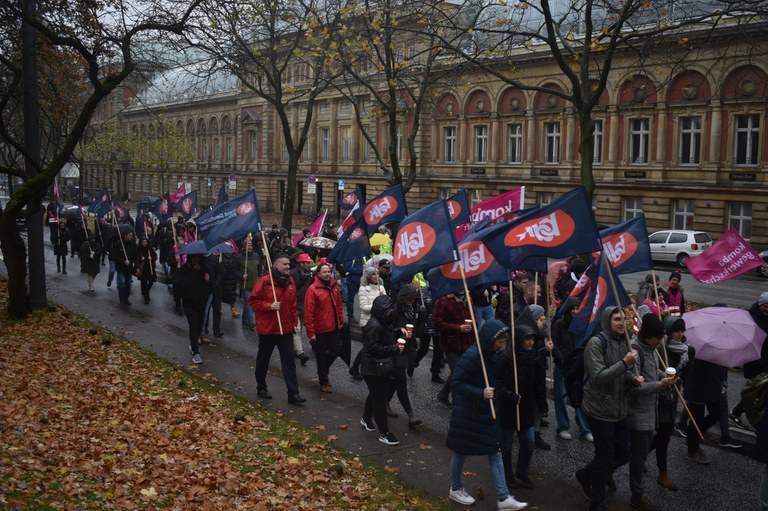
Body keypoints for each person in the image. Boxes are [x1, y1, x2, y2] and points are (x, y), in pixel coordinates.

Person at [446, 319, 528, 511]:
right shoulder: (473, 356)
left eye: (503, 341)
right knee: (461, 451)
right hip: (468, 414)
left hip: (485, 413)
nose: (502, 345)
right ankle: (455, 488)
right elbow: (456, 383)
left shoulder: (491, 354)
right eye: (499, 341)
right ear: (489, 339)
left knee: (495, 451)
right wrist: (480, 392)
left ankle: (503, 497)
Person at [576, 307, 641, 511]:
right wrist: (624, 363)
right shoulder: (597, 343)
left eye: (624, 319)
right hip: (600, 408)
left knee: (623, 450)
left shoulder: (624, 341)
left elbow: (622, 374)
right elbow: (598, 377)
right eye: (616, 319)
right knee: (604, 456)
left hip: (619, 408)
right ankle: (596, 503)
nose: (621, 323)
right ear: (607, 321)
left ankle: (585, 475)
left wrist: (632, 379)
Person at [622, 314, 677, 511]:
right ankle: (637, 495)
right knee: (638, 456)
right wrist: (660, 385)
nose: (660, 341)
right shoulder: (636, 351)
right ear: (647, 336)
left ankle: (603, 471)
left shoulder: (652, 349)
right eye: (657, 337)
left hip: (649, 410)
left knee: (633, 453)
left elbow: (652, 374)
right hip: (637, 411)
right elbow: (635, 386)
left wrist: (665, 377)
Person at [248, 253, 305, 405]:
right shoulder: (265, 281)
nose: (288, 267)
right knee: (263, 360)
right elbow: (253, 301)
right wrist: (269, 306)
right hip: (268, 329)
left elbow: (293, 304)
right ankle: (261, 386)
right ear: (275, 266)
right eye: (284, 264)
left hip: (285, 329)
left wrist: (294, 323)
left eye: (288, 264)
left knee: (288, 361)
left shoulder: (291, 281)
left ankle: (293, 393)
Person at [497, 324, 546, 490]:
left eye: (533, 339)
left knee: (528, 442)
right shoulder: (506, 357)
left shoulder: (536, 358)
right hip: (508, 408)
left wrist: (542, 404)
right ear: (519, 340)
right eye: (527, 339)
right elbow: (498, 383)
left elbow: (539, 384)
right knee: (506, 446)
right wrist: (510, 395)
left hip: (526, 408)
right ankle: (507, 474)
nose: (531, 343)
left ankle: (522, 471)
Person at [651, 315, 694, 492]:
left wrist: (689, 360)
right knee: (658, 438)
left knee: (662, 438)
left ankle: (661, 473)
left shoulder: (683, 350)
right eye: (676, 331)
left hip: (671, 401)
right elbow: (653, 371)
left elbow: (686, 376)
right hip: (658, 398)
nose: (680, 334)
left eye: (682, 331)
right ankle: (661, 472)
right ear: (668, 332)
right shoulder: (660, 349)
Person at [359, 295, 403, 445]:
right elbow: (373, 348)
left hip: (379, 366)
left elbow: (386, 335)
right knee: (379, 399)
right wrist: (395, 348)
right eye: (389, 310)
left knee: (375, 394)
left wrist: (398, 331)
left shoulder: (383, 322)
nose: (392, 312)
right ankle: (384, 433)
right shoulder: (374, 325)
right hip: (372, 368)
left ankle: (366, 419)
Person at [683, 325, 728, 465]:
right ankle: (692, 448)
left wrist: (722, 379)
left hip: (712, 383)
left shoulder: (722, 341)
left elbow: (720, 364)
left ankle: (694, 437)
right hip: (697, 384)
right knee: (696, 417)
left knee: (716, 413)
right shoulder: (700, 340)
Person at [551, 296, 593, 442]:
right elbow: (554, 345)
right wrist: (563, 361)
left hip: (578, 368)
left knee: (580, 397)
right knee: (560, 397)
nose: (575, 311)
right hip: (562, 367)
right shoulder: (559, 324)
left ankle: (584, 428)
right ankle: (562, 426)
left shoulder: (582, 325)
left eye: (577, 308)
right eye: (572, 309)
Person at [304, 262, 345, 393]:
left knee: (336, 350)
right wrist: (311, 333)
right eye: (324, 272)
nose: (327, 274)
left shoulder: (334, 286)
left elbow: (339, 305)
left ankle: (323, 370)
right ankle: (324, 381)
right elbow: (308, 312)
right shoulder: (312, 290)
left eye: (329, 272)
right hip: (320, 328)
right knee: (321, 356)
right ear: (318, 274)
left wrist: (341, 321)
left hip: (334, 326)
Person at [387, 284, 422, 427]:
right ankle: (410, 414)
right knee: (401, 382)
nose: (411, 302)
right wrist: (399, 330)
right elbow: (388, 329)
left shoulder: (412, 309)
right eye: (409, 299)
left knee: (394, 381)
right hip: (396, 349)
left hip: (407, 349)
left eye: (413, 299)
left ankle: (384, 403)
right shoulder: (394, 311)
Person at [731, 292, 768, 428]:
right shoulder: (751, 318)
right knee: (755, 391)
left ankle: (738, 412)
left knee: (758, 391)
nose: (767, 309)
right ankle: (739, 413)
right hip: (755, 360)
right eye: (765, 306)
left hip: (765, 359)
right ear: (759, 305)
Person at [434, 290, 474, 409]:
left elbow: (474, 317)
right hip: (451, 344)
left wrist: (474, 328)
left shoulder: (468, 298)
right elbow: (437, 323)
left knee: (459, 372)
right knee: (459, 374)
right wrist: (458, 328)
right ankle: (459, 407)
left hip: (467, 343)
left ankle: (443, 394)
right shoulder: (443, 301)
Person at [349, 265, 386, 380]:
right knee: (368, 347)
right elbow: (364, 307)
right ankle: (355, 368)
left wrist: (383, 299)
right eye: (373, 274)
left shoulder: (381, 288)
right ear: (369, 276)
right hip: (368, 323)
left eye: (377, 274)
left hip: (380, 322)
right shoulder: (363, 289)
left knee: (374, 347)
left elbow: (386, 305)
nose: (376, 276)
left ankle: (371, 367)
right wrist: (378, 302)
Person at [174, 253, 211, 364]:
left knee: (199, 327)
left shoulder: (204, 267)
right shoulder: (184, 269)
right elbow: (183, 283)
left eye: (198, 257)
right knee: (193, 327)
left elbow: (211, 284)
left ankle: (193, 343)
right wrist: (194, 272)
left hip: (201, 302)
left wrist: (208, 279)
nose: (196, 259)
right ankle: (196, 352)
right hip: (189, 304)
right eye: (194, 257)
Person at [289, 252, 313, 365]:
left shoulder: (309, 275)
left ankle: (293, 348)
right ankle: (300, 353)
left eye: (309, 262)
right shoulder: (293, 274)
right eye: (306, 262)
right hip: (294, 306)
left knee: (299, 330)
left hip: (304, 306)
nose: (308, 264)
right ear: (301, 263)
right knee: (296, 329)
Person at [110, 230, 138, 306]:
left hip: (129, 269)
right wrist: (123, 261)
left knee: (128, 285)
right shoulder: (118, 244)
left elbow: (135, 256)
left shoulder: (133, 245)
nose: (131, 237)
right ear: (125, 235)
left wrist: (137, 266)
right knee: (122, 283)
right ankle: (121, 299)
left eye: (132, 235)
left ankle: (126, 299)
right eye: (130, 235)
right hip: (121, 268)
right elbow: (114, 256)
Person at [240, 237, 262, 329]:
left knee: (247, 303)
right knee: (249, 302)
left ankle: (244, 318)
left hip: (255, 284)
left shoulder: (256, 255)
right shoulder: (239, 257)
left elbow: (260, 268)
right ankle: (251, 321)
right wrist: (241, 275)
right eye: (248, 245)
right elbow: (234, 271)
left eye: (251, 245)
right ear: (244, 247)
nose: (250, 247)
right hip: (245, 285)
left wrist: (260, 277)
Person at [135, 236, 157, 304]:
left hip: (150, 268)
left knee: (151, 282)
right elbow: (136, 259)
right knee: (144, 282)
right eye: (143, 242)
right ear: (141, 243)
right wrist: (138, 265)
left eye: (145, 242)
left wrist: (151, 258)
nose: (144, 243)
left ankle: (146, 291)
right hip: (143, 268)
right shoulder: (139, 249)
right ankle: (146, 296)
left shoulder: (149, 249)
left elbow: (155, 256)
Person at [222, 251, 242, 320]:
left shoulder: (233, 258)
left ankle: (232, 309)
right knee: (229, 294)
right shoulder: (221, 257)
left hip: (230, 278)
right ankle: (232, 309)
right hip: (228, 278)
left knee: (230, 294)